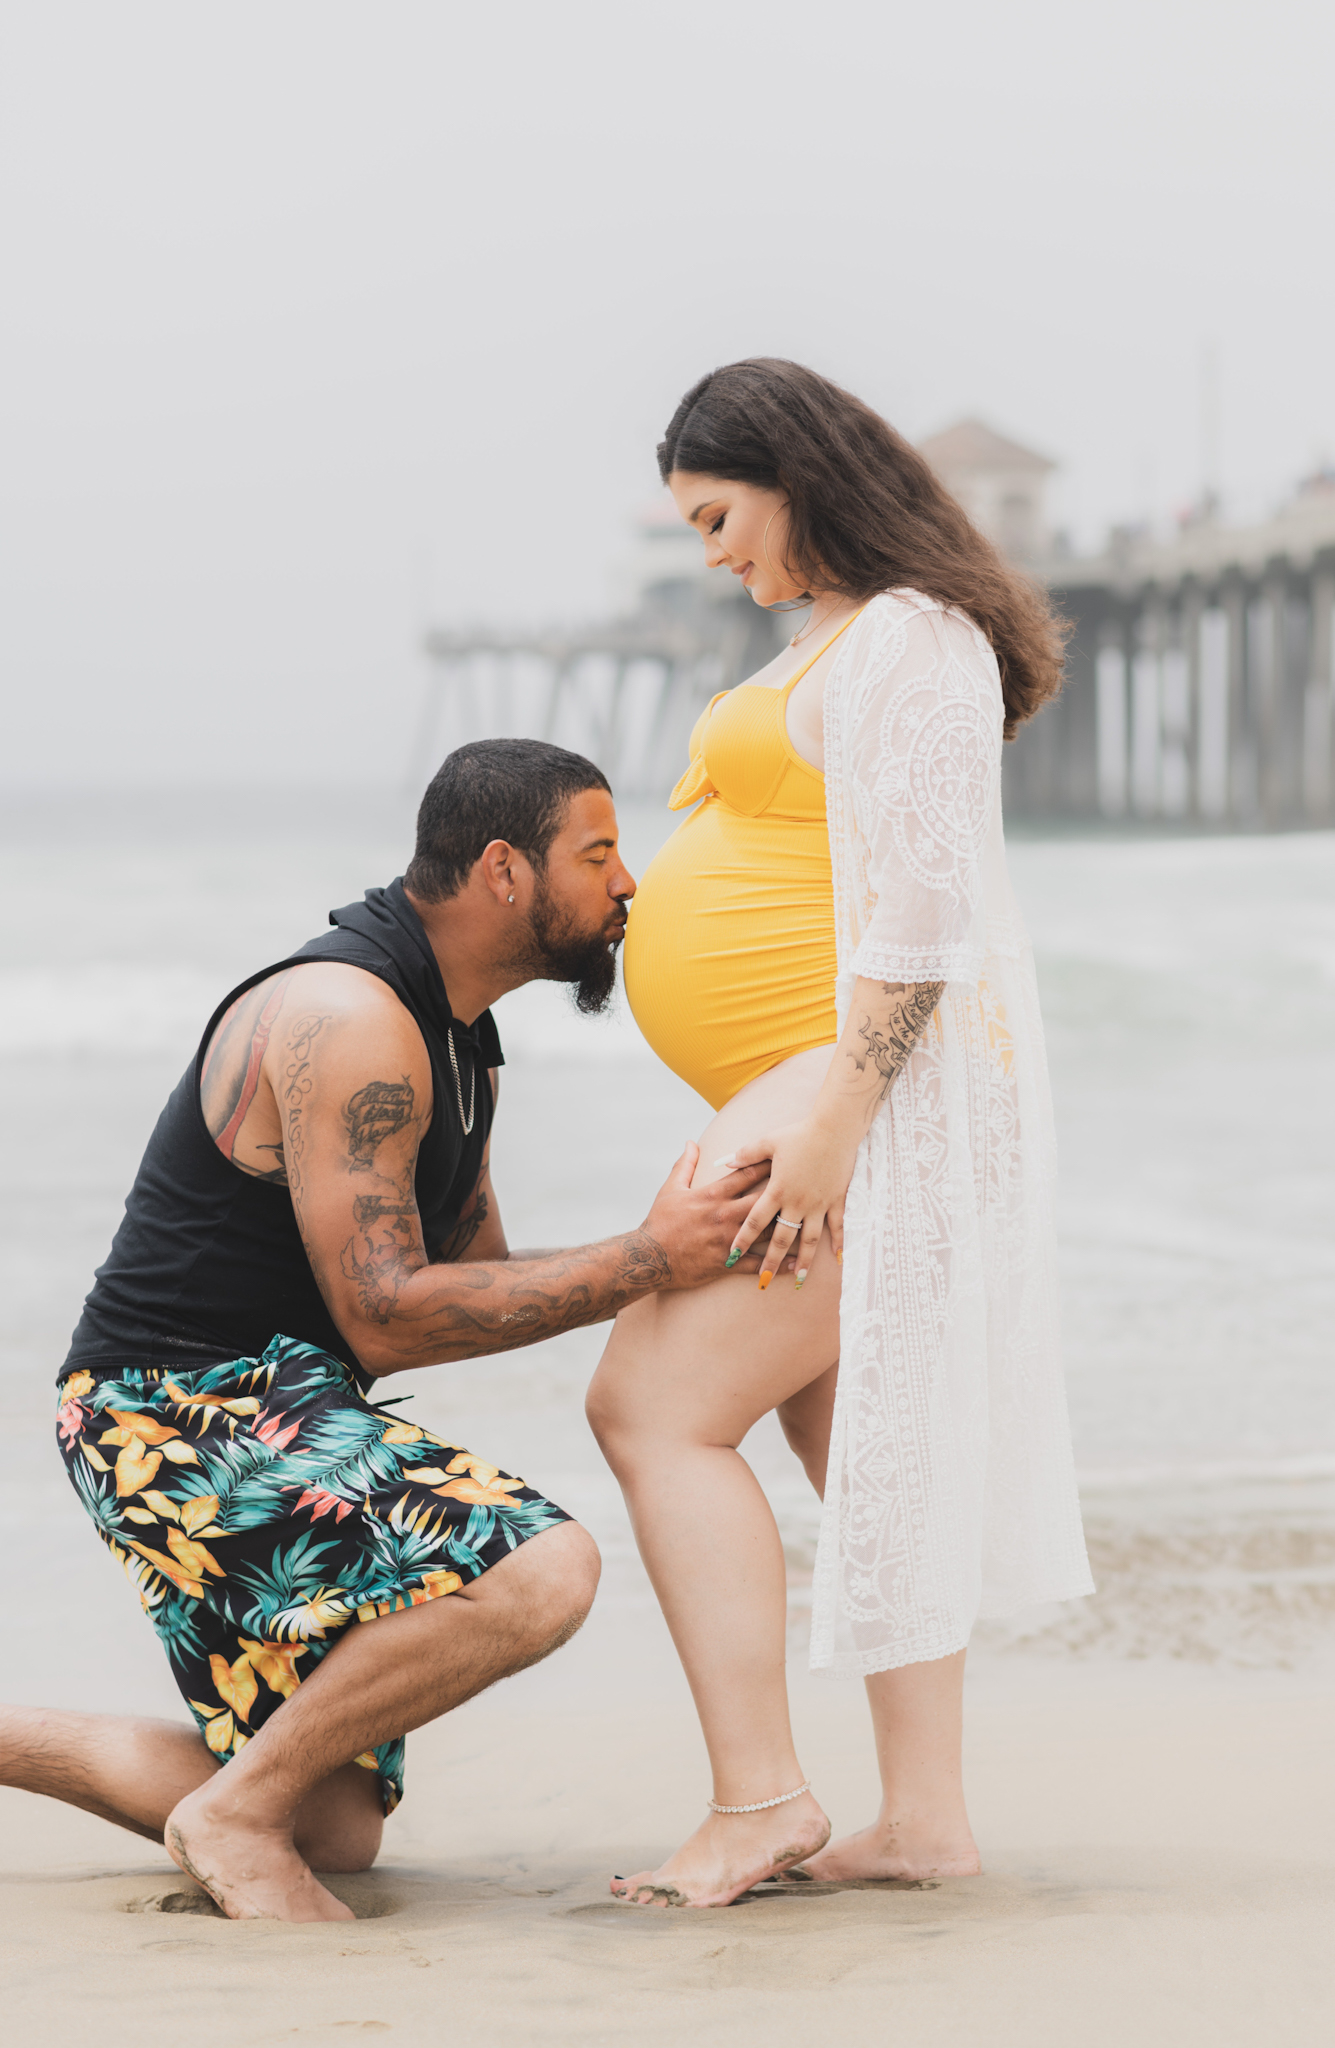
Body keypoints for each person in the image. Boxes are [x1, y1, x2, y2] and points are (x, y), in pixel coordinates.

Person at [7, 738, 779, 1924]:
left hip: (269, 1397)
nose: (632, 884)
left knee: (339, 1828)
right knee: (539, 1567)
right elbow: (390, 1314)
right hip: (171, 1408)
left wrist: (669, 1263)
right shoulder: (351, 1017)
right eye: (600, 851)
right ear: (504, 871)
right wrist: (646, 1257)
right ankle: (230, 1812)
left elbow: (471, 1282)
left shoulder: (459, 1041)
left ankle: (226, 1797)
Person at [588, 358, 1094, 1908]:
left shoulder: (914, 642)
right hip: (807, 1094)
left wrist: (831, 1124)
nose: (710, 554)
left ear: (796, 476)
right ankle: (922, 1822)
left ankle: (758, 1802)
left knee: (650, 1409)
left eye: (718, 516)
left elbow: (926, 909)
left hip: (844, 1105)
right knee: (852, 1447)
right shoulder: (835, 639)